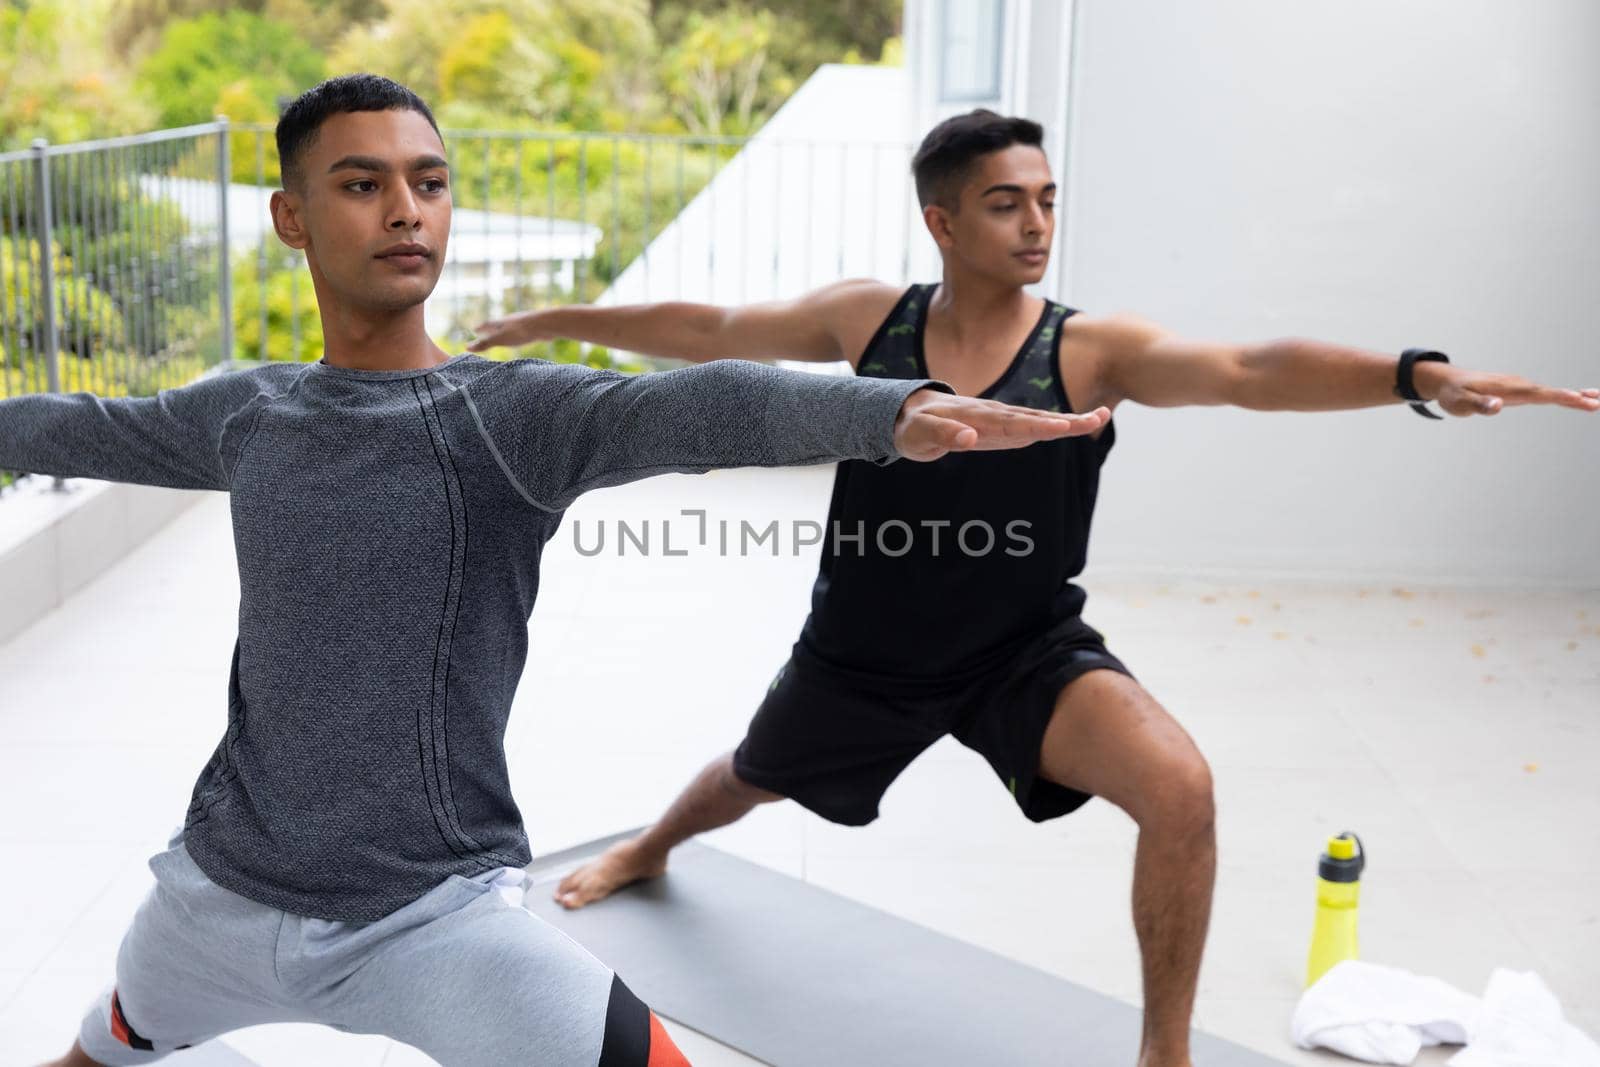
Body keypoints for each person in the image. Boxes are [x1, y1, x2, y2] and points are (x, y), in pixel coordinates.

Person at [4, 80, 1108, 1067]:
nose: (406, 209)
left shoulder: (507, 417)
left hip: (429, 920)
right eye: (361, 183)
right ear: (291, 216)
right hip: (213, 902)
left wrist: (894, 410)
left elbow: (697, 403)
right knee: (103, 1047)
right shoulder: (250, 412)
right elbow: (83, 424)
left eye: (428, 182)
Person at [468, 108, 1599, 1067]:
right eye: (1007, 202)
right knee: (752, 774)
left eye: (1047, 199)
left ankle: (1164, 1054)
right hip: (861, 650)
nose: (1037, 223)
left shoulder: (1088, 349)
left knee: (1181, 788)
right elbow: (713, 329)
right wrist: (556, 318)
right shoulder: (875, 321)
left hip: (1025, 654)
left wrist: (1413, 378)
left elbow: (1249, 369)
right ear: (943, 220)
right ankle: (650, 847)